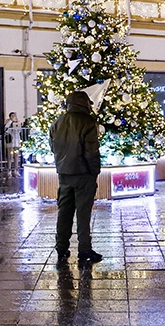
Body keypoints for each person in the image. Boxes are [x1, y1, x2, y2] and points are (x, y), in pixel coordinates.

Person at [50, 91, 102, 265]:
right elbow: (91, 151)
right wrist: (94, 171)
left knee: (64, 211)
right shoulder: (88, 122)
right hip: (84, 174)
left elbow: (53, 147)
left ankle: (61, 247)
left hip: (64, 173)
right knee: (83, 212)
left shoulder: (57, 122)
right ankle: (84, 249)